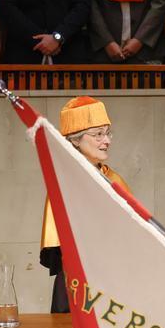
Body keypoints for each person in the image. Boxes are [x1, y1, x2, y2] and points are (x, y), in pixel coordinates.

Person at [42, 97, 131, 312]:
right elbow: (58, 247)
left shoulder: (115, 180)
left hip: (115, 282)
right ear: (75, 140)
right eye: (98, 134)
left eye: (107, 133)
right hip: (77, 283)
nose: (106, 140)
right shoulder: (64, 182)